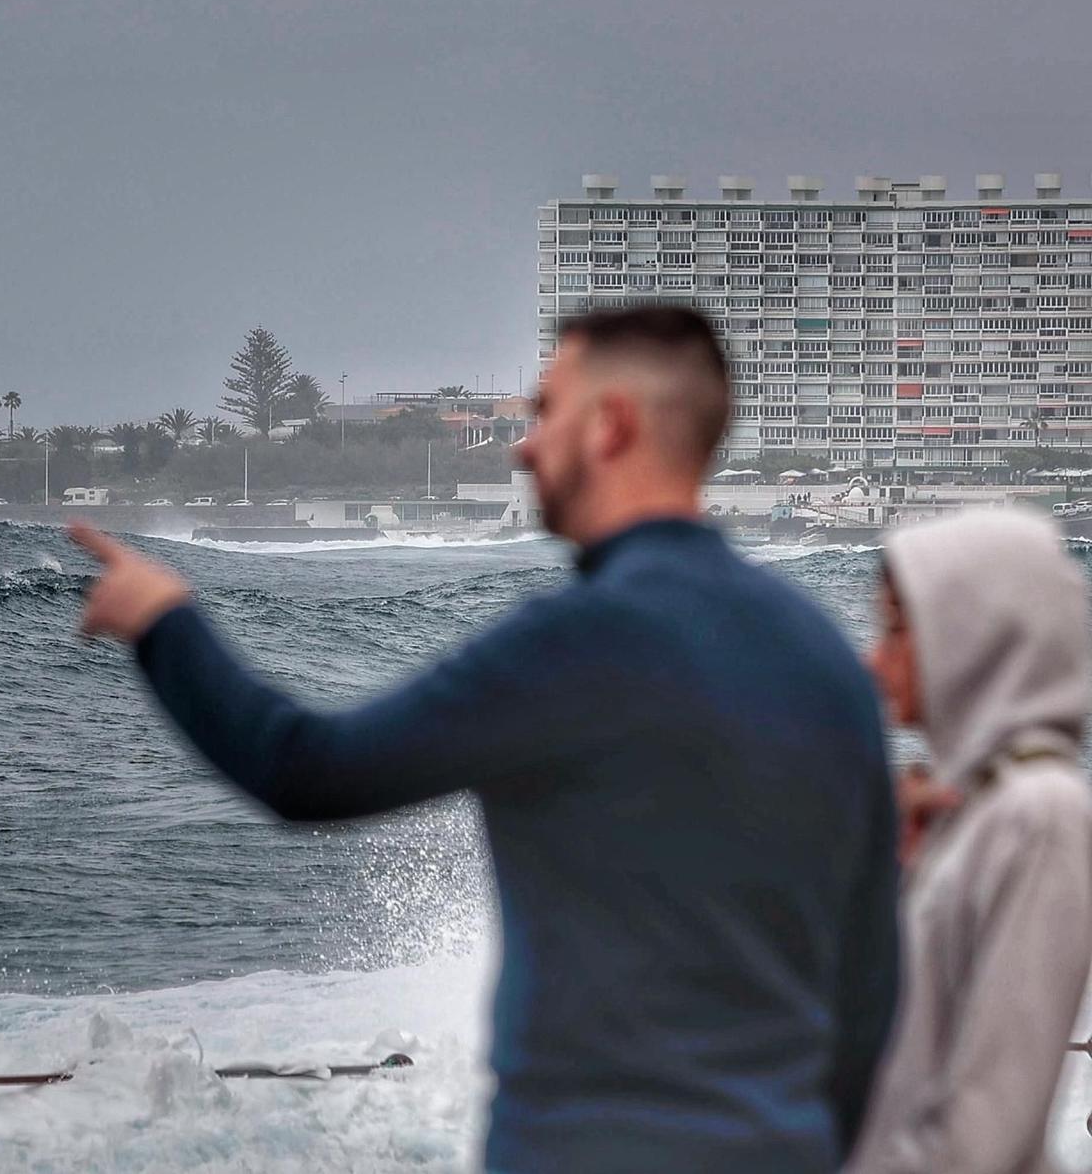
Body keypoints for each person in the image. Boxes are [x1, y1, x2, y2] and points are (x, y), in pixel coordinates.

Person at [70, 304, 898, 1173]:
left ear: (611, 425)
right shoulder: (824, 657)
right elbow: (873, 979)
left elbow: (305, 768)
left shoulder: (581, 638)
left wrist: (165, 623)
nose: (524, 446)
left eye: (545, 411)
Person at [849, 510, 1092, 1174]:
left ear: (975, 637)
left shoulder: (1039, 814)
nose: (876, 658)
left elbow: (987, 1122)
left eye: (898, 628)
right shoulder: (974, 810)